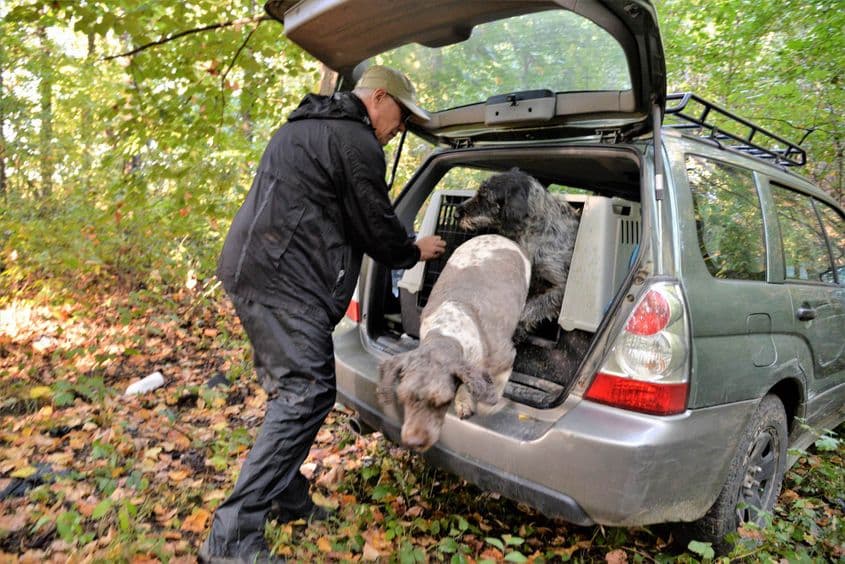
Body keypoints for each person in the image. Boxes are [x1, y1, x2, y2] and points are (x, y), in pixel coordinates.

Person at [199, 66, 446, 562]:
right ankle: (230, 540)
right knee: (307, 392)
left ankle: (285, 497)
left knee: (292, 391)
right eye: (400, 115)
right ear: (378, 98)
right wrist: (413, 250)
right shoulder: (356, 142)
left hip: (254, 271)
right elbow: (375, 224)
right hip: (286, 283)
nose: (399, 128)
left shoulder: (304, 125)